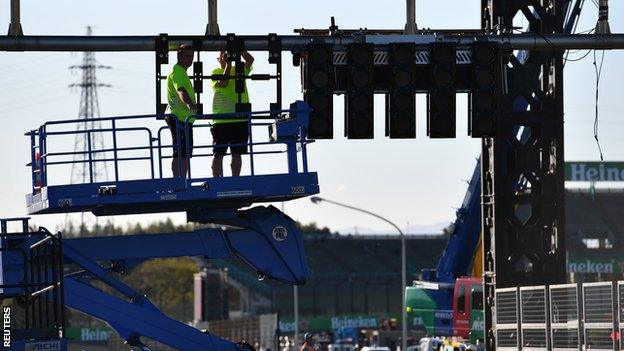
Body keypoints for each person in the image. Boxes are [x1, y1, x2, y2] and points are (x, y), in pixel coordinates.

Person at [211, 50, 254, 177]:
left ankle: (235, 179)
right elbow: (224, 83)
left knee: (237, 152)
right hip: (221, 119)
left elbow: (250, 60)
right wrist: (228, 65)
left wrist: (239, 48)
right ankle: (216, 181)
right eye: (222, 54)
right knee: (218, 153)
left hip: (240, 118)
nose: (225, 56)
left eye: (227, 53)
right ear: (218, 58)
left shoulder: (239, 70)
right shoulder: (215, 73)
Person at [166, 44, 197, 178]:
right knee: (180, 152)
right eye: (186, 56)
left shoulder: (181, 72)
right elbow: (181, 91)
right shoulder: (177, 72)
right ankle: (179, 182)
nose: (189, 59)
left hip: (184, 119)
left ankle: (181, 181)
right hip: (178, 117)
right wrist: (190, 104)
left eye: (191, 56)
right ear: (179, 56)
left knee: (184, 152)